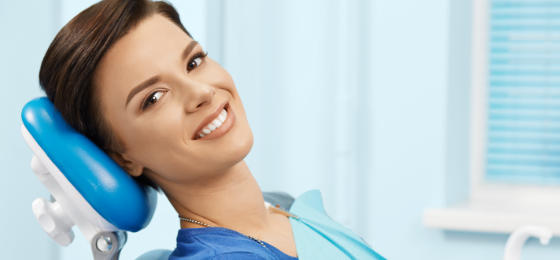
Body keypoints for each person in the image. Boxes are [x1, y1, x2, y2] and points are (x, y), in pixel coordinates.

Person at [38, 0, 384, 259]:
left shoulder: (282, 208)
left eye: (193, 62)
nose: (201, 92)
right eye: (154, 97)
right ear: (122, 157)